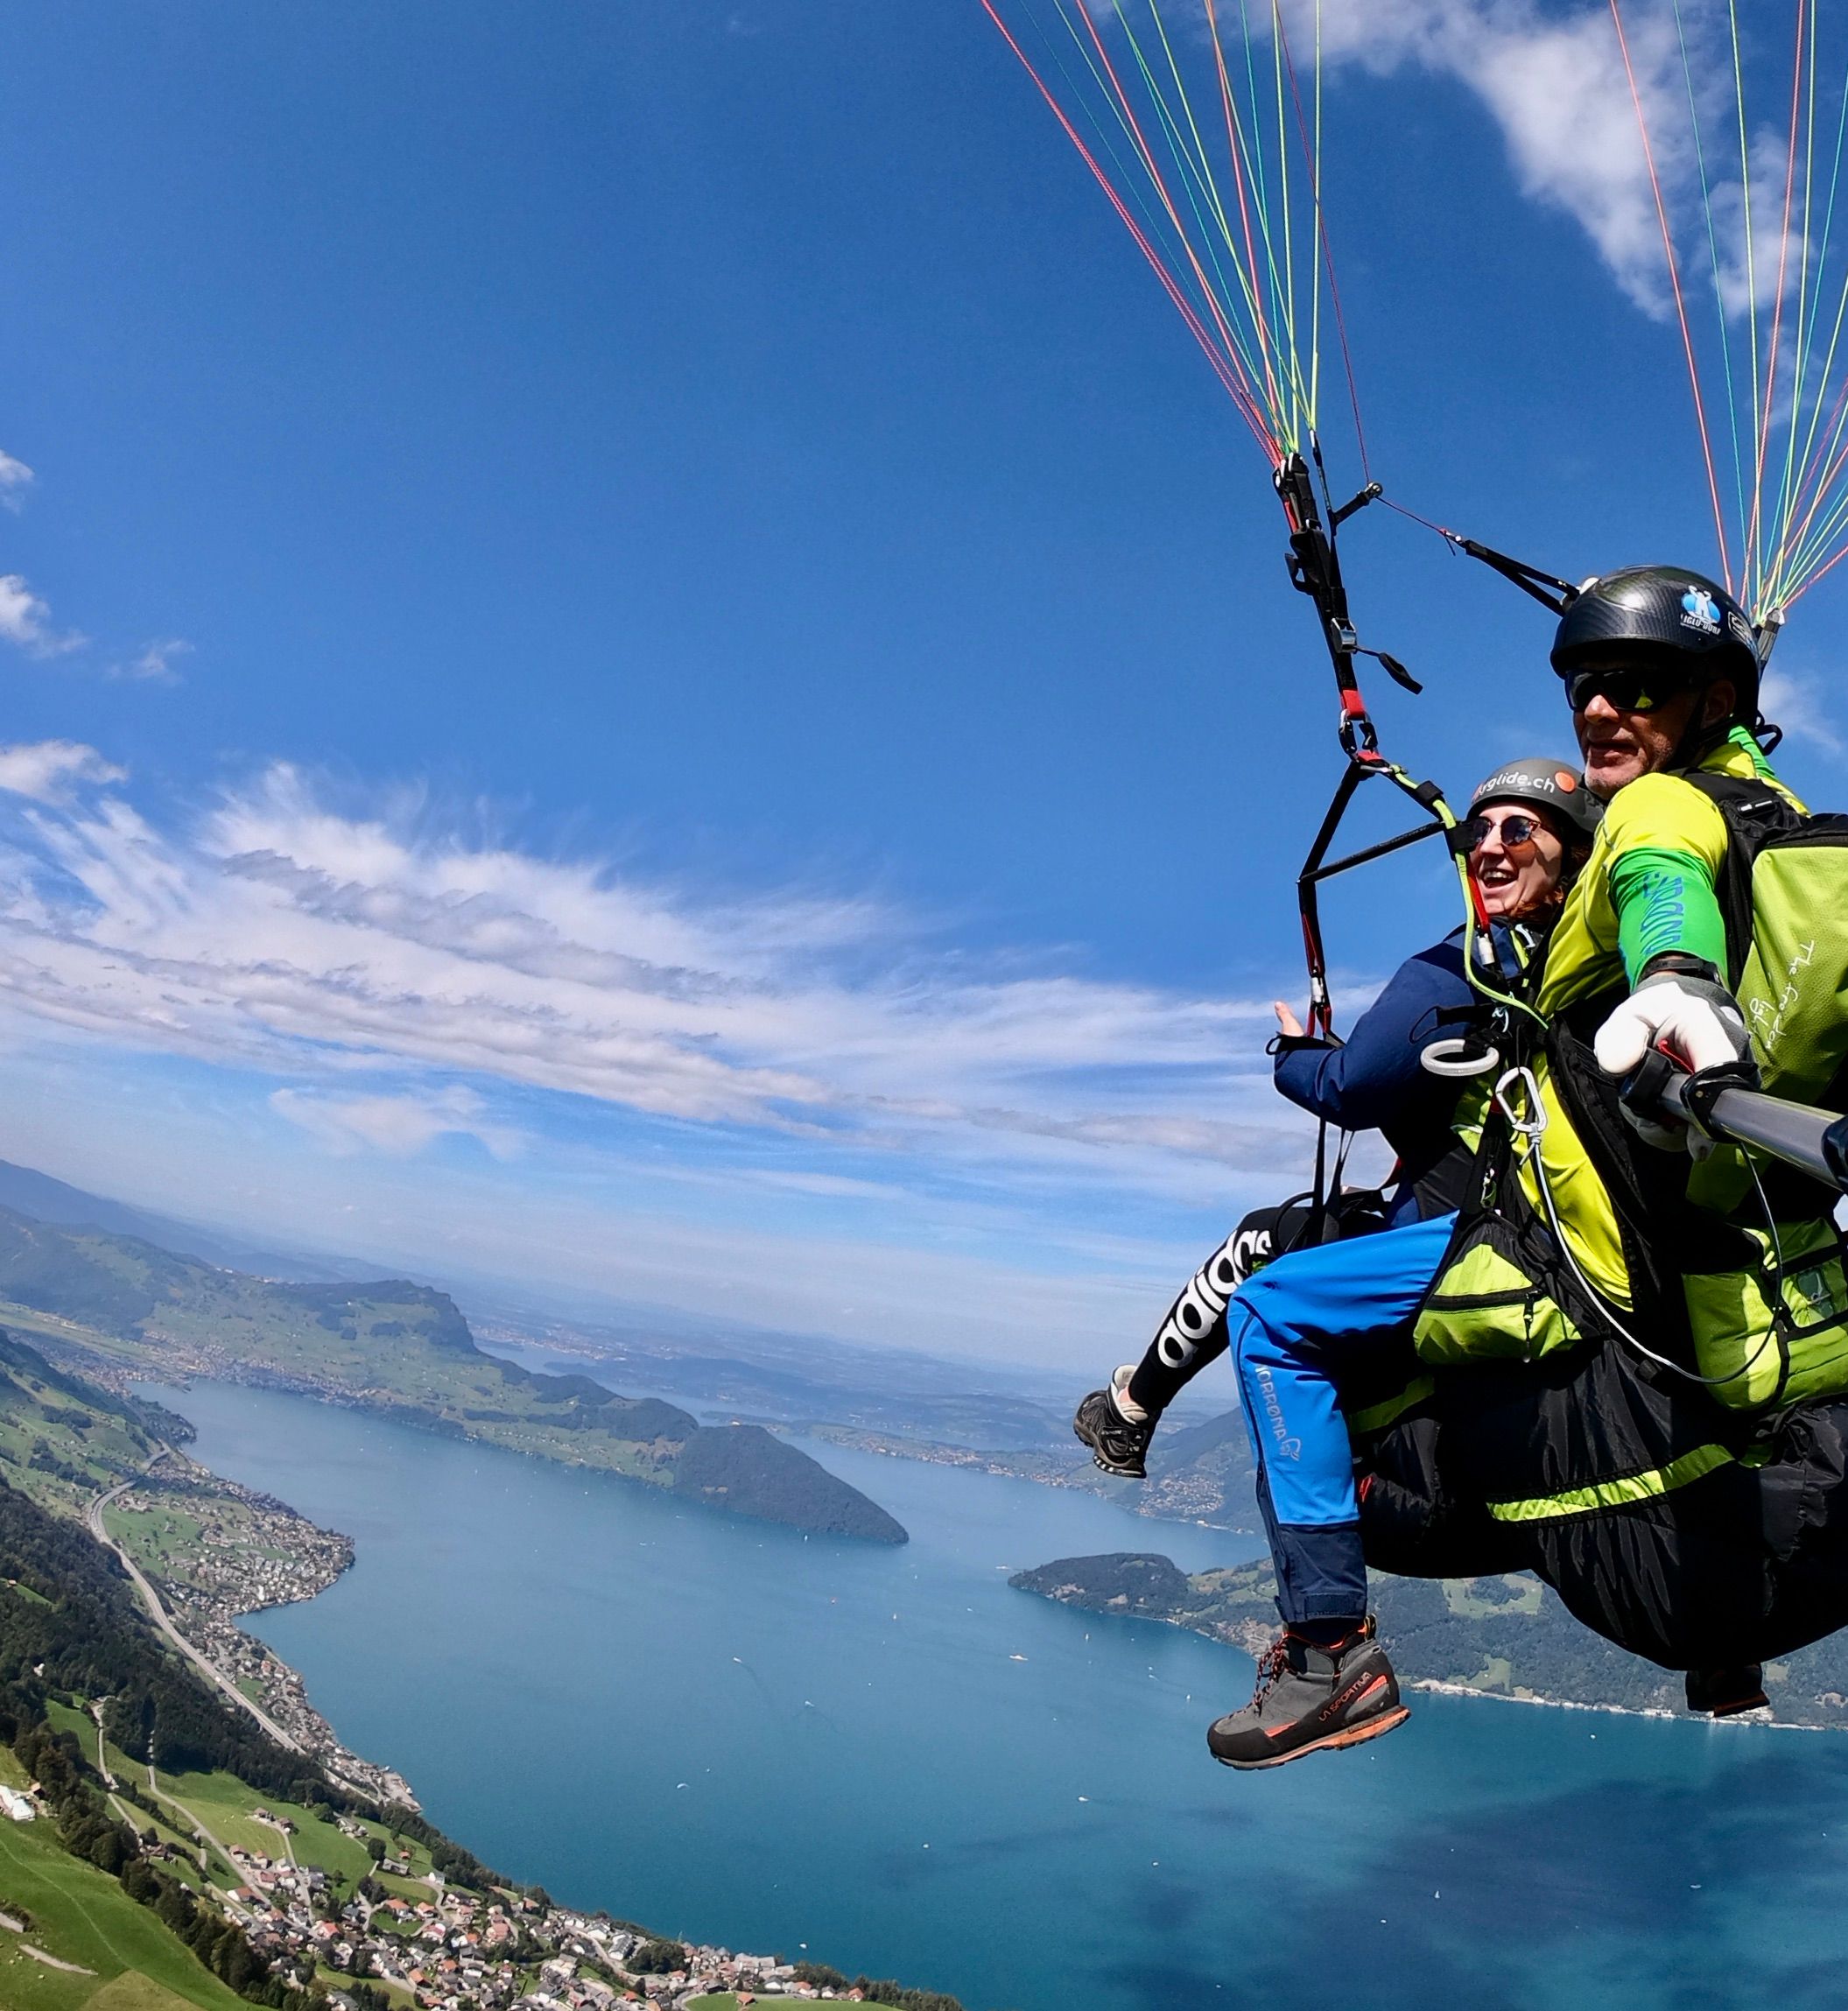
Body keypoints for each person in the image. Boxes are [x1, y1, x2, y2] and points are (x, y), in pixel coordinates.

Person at [1076, 756, 1600, 1768]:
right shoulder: (1590, 965)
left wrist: (1290, 1058)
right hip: (1557, 1228)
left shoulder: (1468, 964)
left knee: (1265, 1294)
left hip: (1478, 1236)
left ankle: (1326, 1640)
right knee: (1276, 1233)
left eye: (1518, 833)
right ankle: (1131, 1411)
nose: (1488, 846)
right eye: (1478, 832)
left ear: (1568, 855)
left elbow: (1355, 1083)